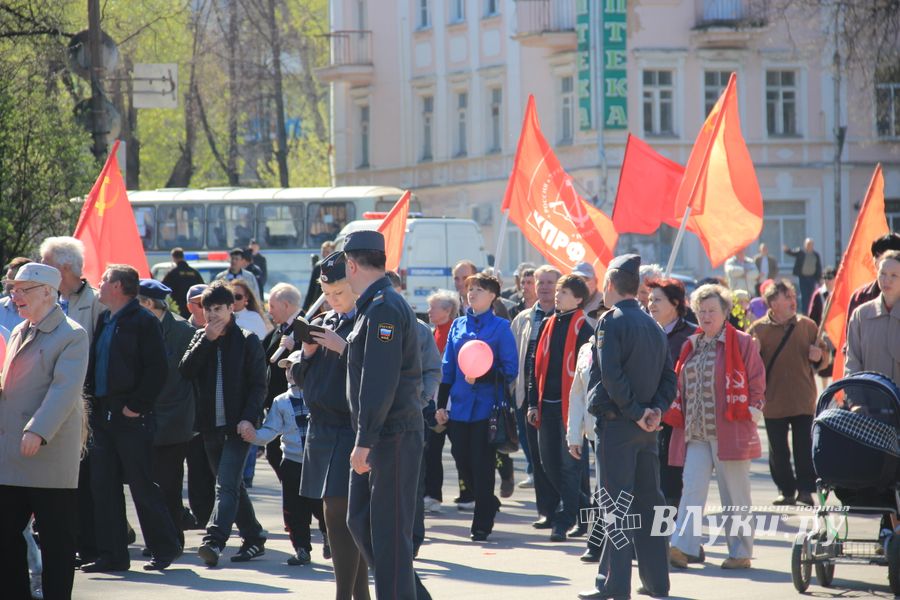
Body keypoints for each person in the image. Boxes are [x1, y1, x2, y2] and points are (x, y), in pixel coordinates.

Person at [578, 254, 675, 600]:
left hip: (620, 426)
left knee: (616, 506)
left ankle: (614, 586)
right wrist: (655, 411)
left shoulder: (610, 322)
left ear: (609, 285)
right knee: (650, 503)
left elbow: (611, 377)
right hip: (646, 428)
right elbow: (669, 378)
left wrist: (637, 412)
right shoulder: (652, 324)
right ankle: (656, 582)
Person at [341, 230, 430, 598]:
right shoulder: (373, 306)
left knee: (390, 537)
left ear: (350, 264)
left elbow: (379, 383)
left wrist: (364, 440)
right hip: (381, 433)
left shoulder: (384, 309)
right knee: (359, 520)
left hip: (390, 434)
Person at [82, 265, 182, 573]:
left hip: (130, 415)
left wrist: (136, 405)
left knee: (141, 484)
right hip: (103, 413)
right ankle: (112, 554)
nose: (98, 285)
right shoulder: (105, 318)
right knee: (103, 485)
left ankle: (164, 548)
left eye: (104, 281)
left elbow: (157, 369)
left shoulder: (143, 320)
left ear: (119, 286)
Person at [0, 263, 89, 600]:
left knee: (56, 543)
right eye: (13, 288)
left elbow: (63, 391)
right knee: (5, 535)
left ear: (49, 293)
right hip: (11, 456)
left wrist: (37, 430)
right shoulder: (21, 330)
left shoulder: (72, 334)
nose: (15, 295)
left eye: (24, 289)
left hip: (48, 459)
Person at [663, 284, 766, 570]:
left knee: (735, 495)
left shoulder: (742, 342)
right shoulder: (691, 344)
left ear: (725, 313)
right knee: (692, 489)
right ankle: (683, 547)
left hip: (730, 431)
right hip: (695, 431)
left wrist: (753, 412)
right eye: (701, 311)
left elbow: (757, 380)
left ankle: (740, 552)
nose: (706, 316)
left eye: (712, 311)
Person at [179, 281, 268, 567]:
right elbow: (186, 370)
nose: (213, 314)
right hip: (209, 427)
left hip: (238, 428)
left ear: (232, 308)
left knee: (225, 486)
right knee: (232, 486)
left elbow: (258, 386)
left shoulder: (247, 339)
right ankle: (254, 536)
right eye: (208, 309)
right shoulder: (201, 336)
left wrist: (248, 418)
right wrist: (207, 340)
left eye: (219, 308)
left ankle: (214, 541)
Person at [299, 251, 370, 600]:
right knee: (334, 516)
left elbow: (378, 378)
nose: (332, 301)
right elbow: (299, 379)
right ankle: (358, 596)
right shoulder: (329, 320)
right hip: (322, 430)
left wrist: (346, 349)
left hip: (349, 428)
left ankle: (348, 595)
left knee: (344, 517)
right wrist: (306, 353)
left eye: (338, 293)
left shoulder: (368, 321)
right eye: (327, 294)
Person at [436, 272, 518, 542]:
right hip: (459, 406)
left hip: (487, 407)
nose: (472, 293)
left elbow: (510, 368)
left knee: (482, 464)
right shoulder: (458, 325)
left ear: (493, 296)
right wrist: (440, 404)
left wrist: (481, 374)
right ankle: (488, 501)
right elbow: (447, 368)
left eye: (480, 290)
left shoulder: (501, 328)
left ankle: (482, 522)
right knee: (462, 461)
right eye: (470, 289)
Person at [39, 236, 105, 564]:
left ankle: (90, 543)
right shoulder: (49, 301)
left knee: (85, 478)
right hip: (47, 396)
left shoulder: (94, 302)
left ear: (63, 268)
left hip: (82, 401)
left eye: (46, 264)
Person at [747, 279, 829, 506]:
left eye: (794, 296)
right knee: (778, 450)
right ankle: (786, 490)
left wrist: (819, 356)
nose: (794, 301)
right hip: (773, 401)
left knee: (803, 447)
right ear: (773, 302)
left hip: (803, 398)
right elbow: (748, 367)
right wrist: (752, 353)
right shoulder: (758, 330)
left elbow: (824, 358)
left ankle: (805, 490)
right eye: (788, 297)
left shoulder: (808, 325)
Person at [244, 350, 327, 565]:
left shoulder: (321, 394)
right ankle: (301, 549)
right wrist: (254, 436)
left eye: (296, 367)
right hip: (291, 462)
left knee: (323, 506)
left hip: (318, 463)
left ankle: (331, 537)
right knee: (293, 510)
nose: (290, 373)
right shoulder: (281, 401)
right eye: (288, 368)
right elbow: (270, 430)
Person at [526, 274, 593, 542]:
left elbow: (586, 373)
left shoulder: (584, 328)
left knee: (569, 467)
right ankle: (585, 509)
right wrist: (532, 402)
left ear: (578, 299)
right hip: (546, 405)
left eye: (564, 292)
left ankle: (563, 521)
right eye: (558, 291)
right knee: (547, 464)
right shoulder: (547, 323)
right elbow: (534, 367)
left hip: (570, 410)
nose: (557, 295)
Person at [137, 279, 197, 551]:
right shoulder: (137, 329)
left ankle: (173, 539)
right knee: (147, 486)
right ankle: (157, 541)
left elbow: (196, 378)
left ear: (149, 304)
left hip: (174, 422)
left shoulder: (184, 331)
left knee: (170, 486)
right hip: (143, 421)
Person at [386, 270, 442, 556]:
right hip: (376, 417)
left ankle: (413, 539)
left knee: (412, 481)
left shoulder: (419, 329)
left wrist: (421, 399)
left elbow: (433, 368)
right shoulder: (367, 322)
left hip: (411, 416)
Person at [510, 265, 561, 515]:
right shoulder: (523, 319)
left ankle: (568, 507)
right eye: (540, 282)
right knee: (537, 457)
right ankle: (546, 511)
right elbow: (512, 359)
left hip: (558, 398)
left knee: (561, 458)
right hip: (528, 398)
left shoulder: (568, 317)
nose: (544, 287)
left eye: (550, 282)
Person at [646, 278, 697, 509]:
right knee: (653, 480)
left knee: (678, 481)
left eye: (657, 299)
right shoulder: (645, 330)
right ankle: (660, 540)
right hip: (648, 415)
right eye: (649, 299)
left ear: (675, 303)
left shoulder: (694, 335)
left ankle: (682, 540)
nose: (651, 304)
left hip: (682, 419)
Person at [262, 283, 305, 480]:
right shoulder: (279, 330)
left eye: (272, 306)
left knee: (287, 455)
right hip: (275, 402)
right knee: (273, 452)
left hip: (298, 403)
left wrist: (294, 346)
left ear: (286, 305)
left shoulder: (306, 326)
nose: (269, 311)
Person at [422, 289, 460, 513]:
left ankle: (469, 493)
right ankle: (433, 495)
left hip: (452, 402)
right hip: (433, 402)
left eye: (433, 307)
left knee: (460, 452)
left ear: (447, 311)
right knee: (432, 450)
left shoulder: (454, 333)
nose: (428, 311)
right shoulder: (433, 332)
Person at [846, 250, 900, 384]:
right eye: (882, 274)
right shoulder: (861, 315)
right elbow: (852, 364)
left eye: (894, 275)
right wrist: (856, 401)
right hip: (869, 402)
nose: (887, 280)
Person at [847, 233, 900, 320]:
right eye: (877, 256)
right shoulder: (860, 297)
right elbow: (852, 332)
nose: (882, 261)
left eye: (889, 256)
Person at [162, 247, 205, 318]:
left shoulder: (173, 272)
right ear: (183, 256)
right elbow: (202, 286)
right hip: (195, 304)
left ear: (173, 257)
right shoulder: (193, 272)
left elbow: (163, 286)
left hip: (179, 306)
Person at [785, 238, 822, 316]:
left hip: (812, 278)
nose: (809, 246)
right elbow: (792, 253)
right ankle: (804, 313)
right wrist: (787, 250)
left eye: (811, 244)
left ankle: (811, 312)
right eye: (808, 244)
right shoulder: (801, 253)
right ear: (805, 245)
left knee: (811, 295)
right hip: (803, 278)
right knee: (804, 296)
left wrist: (819, 279)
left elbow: (818, 267)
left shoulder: (816, 255)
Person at [304, 240, 336, 313]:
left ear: (333, 252)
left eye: (327, 252)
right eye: (323, 251)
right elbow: (311, 288)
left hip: (332, 303)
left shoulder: (338, 266)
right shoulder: (318, 266)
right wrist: (305, 308)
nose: (325, 254)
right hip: (318, 302)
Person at [0, 256, 30, 333]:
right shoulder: (0, 306)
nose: (8, 284)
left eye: (13, 280)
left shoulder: (38, 311)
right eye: (7, 278)